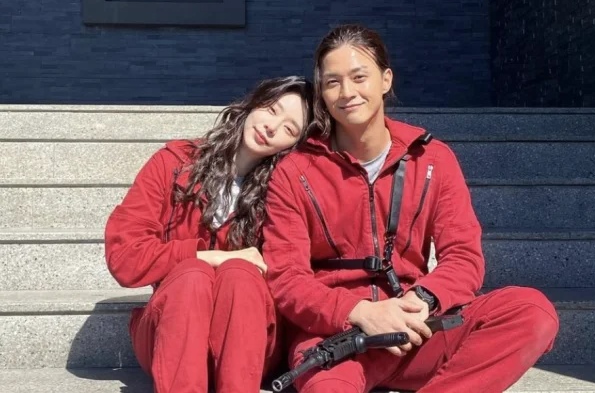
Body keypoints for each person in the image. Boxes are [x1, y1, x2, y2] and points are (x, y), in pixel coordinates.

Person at [261, 25, 559, 393]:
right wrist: (360, 312)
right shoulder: (295, 170)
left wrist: (421, 300)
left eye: (359, 77)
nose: (347, 92)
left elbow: (463, 256)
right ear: (321, 92)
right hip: (337, 339)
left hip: (418, 329)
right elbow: (287, 278)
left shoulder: (433, 158)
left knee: (531, 311)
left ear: (385, 80)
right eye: (332, 82)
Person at [104, 76, 314, 393]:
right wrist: (207, 256)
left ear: (294, 145)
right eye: (271, 109)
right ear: (254, 103)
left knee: (240, 275)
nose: (272, 127)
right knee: (192, 274)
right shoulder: (174, 163)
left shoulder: (283, 191)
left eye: (289, 129)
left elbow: (294, 275)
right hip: (173, 336)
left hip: (247, 344)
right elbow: (124, 257)